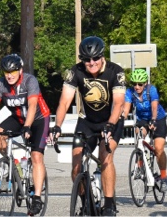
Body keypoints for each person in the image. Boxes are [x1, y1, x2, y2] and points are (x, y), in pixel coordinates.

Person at [50, 36, 126, 216]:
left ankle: (108, 205)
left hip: (111, 121)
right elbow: (64, 102)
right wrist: (57, 126)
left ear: (102, 56)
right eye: (86, 60)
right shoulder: (75, 72)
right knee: (76, 163)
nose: (91, 63)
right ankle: (85, 203)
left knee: (105, 155)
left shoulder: (116, 72)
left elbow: (119, 104)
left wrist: (110, 125)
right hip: (87, 122)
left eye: (95, 59)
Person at [0, 54, 50, 215]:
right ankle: (14, 167)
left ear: (20, 70)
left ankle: (37, 197)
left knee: (37, 156)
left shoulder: (29, 81)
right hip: (17, 118)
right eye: (6, 72)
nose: (9, 75)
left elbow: (32, 106)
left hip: (38, 119)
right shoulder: (0, 84)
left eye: (13, 72)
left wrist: (27, 126)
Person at [122, 69, 167, 192]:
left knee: (159, 148)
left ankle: (164, 176)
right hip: (142, 119)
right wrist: (120, 120)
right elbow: (126, 110)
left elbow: (154, 107)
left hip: (157, 118)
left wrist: (153, 120)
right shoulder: (130, 92)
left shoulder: (151, 90)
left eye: (140, 84)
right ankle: (140, 166)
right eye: (134, 83)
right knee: (139, 137)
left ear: (145, 83)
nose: (137, 86)